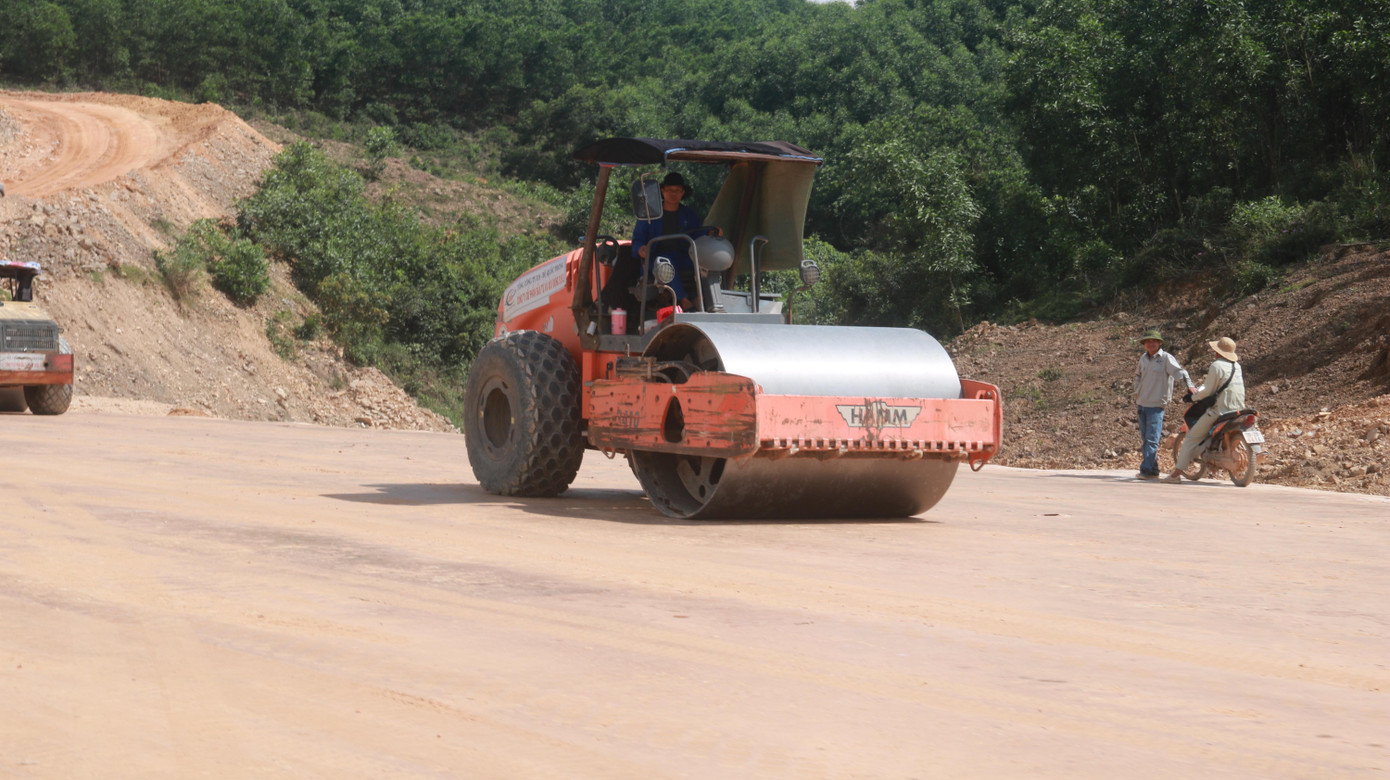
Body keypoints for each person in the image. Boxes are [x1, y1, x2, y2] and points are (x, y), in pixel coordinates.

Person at [628, 172, 722, 310]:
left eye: (677, 190)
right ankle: (683, 301)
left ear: (682, 192)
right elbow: (637, 240)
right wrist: (641, 249)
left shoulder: (689, 215)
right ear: (662, 190)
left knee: (705, 262)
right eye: (670, 190)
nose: (673, 194)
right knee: (667, 261)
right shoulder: (649, 215)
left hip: (683, 257)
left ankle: (705, 300)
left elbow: (698, 234)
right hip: (656, 260)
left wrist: (711, 232)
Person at [1163, 336, 1245, 482]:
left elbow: (1207, 391)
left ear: (1218, 351)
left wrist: (1192, 398)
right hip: (1239, 408)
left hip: (1221, 410)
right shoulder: (1237, 366)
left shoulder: (1217, 365)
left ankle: (1176, 475)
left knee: (1190, 438)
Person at [1133, 328, 1192, 479]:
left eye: (1154, 341)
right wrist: (1137, 390)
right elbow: (1137, 375)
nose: (1150, 343)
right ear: (1144, 344)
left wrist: (1189, 385)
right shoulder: (1143, 359)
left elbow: (1180, 372)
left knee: (1152, 439)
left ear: (1159, 343)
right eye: (1148, 341)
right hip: (1142, 404)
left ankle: (1146, 471)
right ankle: (1152, 470)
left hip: (1156, 405)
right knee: (1146, 439)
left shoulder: (1166, 358)